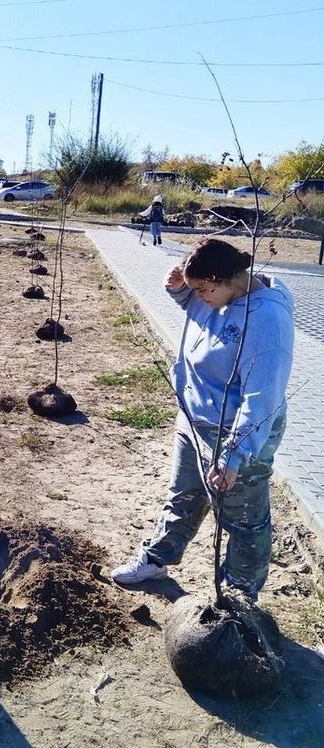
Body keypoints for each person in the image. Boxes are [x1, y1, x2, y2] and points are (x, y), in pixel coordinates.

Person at [112, 237, 295, 601]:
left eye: (200, 289)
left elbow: (263, 398)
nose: (197, 297)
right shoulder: (219, 293)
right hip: (194, 420)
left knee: (243, 521)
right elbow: (206, 322)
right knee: (183, 495)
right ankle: (156, 558)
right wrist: (179, 292)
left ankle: (240, 597)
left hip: (236, 433)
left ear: (224, 279)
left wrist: (234, 455)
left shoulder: (267, 321)